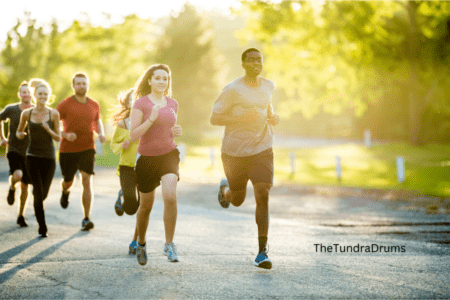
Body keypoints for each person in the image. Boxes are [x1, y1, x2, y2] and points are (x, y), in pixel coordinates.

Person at [210, 48, 280, 269]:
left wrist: (272, 117)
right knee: (237, 199)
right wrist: (239, 118)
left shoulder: (268, 86)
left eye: (259, 59)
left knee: (263, 192)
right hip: (235, 152)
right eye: (251, 60)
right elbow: (214, 118)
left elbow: (267, 109)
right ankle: (225, 191)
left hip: (262, 148)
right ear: (243, 64)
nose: (256, 63)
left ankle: (262, 252)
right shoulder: (232, 90)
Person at [129, 64, 182, 265]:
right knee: (146, 207)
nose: (162, 82)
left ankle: (169, 244)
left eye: (165, 78)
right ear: (149, 81)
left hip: (169, 154)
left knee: (170, 196)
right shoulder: (140, 104)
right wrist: (151, 117)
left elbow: (170, 128)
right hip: (147, 158)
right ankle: (141, 242)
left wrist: (176, 131)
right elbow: (133, 135)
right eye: (158, 78)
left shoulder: (173, 103)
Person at [56, 72, 105, 231]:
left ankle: (86, 218)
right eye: (78, 83)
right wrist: (64, 134)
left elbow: (97, 121)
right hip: (68, 149)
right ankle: (65, 190)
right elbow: (53, 124)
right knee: (68, 180)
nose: (81, 86)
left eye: (84, 83)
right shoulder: (65, 104)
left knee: (86, 179)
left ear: (87, 85)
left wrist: (101, 133)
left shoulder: (94, 104)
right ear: (73, 86)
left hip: (87, 147)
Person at [16, 79, 61, 237]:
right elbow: (19, 132)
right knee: (37, 192)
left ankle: (37, 208)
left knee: (43, 194)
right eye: (40, 94)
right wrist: (20, 134)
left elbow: (58, 138)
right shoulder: (26, 113)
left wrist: (48, 129)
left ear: (49, 96)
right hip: (32, 157)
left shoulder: (53, 114)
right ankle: (42, 227)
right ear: (34, 95)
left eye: (45, 94)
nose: (42, 96)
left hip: (49, 158)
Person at [110, 88, 140, 254]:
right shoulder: (123, 124)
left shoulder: (149, 121)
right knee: (131, 208)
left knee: (143, 207)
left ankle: (136, 241)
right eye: (132, 100)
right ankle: (123, 195)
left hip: (146, 166)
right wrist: (123, 145)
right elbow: (113, 146)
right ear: (127, 104)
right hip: (128, 167)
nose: (135, 102)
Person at [0, 81, 33, 227]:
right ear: (20, 94)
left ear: (32, 94)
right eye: (23, 92)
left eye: (28, 92)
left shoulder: (36, 110)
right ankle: (12, 187)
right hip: (13, 149)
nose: (26, 94)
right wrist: (2, 137)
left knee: (26, 186)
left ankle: (21, 215)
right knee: (18, 175)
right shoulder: (11, 109)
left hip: (31, 152)